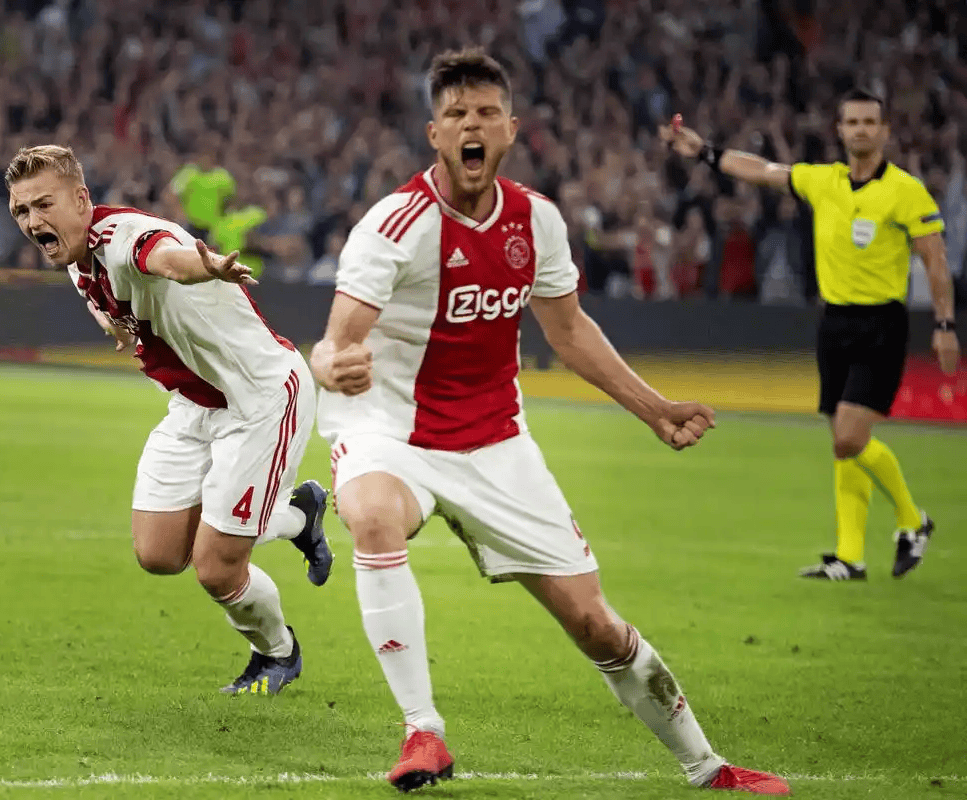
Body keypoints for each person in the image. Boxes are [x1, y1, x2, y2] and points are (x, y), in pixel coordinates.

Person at [310, 47, 789, 795]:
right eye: (456, 115)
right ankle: (422, 733)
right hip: (391, 432)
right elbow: (336, 339)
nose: (472, 126)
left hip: (497, 441)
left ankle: (708, 767)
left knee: (595, 624)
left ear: (511, 129)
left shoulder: (536, 221)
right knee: (372, 516)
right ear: (434, 134)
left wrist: (654, 409)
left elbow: (569, 333)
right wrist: (327, 365)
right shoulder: (395, 225)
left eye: (486, 113)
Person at [4, 145, 334, 695]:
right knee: (158, 554)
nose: (32, 220)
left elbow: (163, 258)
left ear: (81, 200)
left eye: (43, 204)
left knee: (216, 567)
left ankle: (277, 653)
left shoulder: (122, 236)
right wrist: (117, 327)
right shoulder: (76, 259)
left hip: (260, 400)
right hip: (194, 404)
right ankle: (299, 515)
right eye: (21, 211)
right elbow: (110, 297)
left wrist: (205, 267)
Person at [661, 89, 960, 581]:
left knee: (849, 437)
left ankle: (913, 519)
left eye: (869, 122)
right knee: (842, 444)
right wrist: (706, 152)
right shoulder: (824, 181)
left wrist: (945, 324)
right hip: (834, 323)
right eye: (852, 122)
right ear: (840, 130)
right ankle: (850, 556)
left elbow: (935, 258)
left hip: (881, 324)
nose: (861, 130)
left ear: (884, 131)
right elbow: (762, 170)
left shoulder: (906, 191)